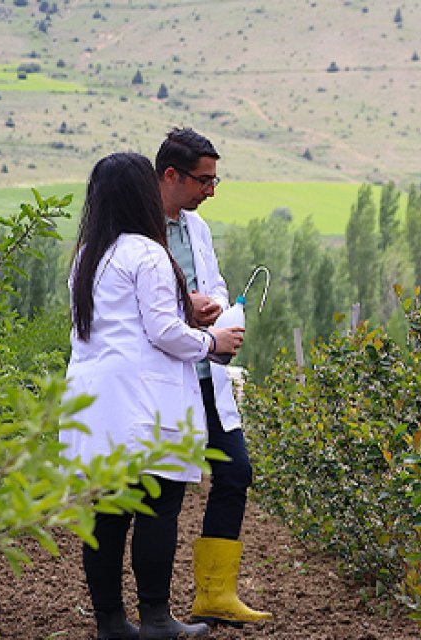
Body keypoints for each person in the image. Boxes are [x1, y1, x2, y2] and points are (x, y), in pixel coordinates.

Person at [61, 152, 243, 639]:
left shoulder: (88, 255)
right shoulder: (147, 252)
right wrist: (211, 342)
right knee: (158, 505)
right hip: (143, 402)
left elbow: (126, 322)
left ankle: (111, 622)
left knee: (108, 513)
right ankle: (157, 618)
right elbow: (162, 331)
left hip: (96, 404)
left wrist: (185, 310)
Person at [154, 127, 272, 626]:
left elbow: (213, 280)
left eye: (216, 180)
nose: (211, 190)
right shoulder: (139, 230)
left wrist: (220, 308)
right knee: (165, 489)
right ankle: (152, 608)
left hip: (208, 371)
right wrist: (188, 309)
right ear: (171, 175)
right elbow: (149, 309)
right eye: (204, 180)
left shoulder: (197, 229)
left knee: (234, 470)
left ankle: (216, 593)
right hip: (168, 376)